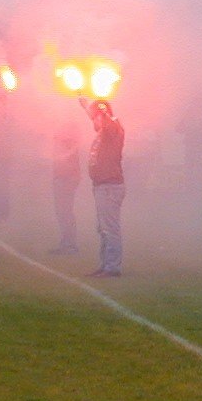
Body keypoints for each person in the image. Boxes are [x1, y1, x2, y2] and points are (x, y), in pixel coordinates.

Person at [82, 97, 125, 278]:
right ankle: (106, 264)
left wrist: (101, 109)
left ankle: (112, 267)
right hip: (102, 185)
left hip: (109, 186)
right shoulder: (104, 131)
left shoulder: (113, 127)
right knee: (103, 228)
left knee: (109, 228)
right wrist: (86, 106)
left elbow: (107, 122)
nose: (93, 121)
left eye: (95, 117)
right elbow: (97, 118)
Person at [49, 121, 81, 254]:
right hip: (61, 179)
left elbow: (66, 158)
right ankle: (66, 242)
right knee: (61, 212)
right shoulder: (64, 143)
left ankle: (70, 244)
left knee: (65, 211)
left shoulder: (70, 143)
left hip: (66, 180)